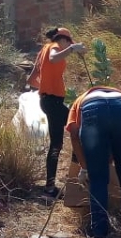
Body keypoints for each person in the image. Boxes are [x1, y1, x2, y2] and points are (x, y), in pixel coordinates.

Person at [66, 85, 121, 238]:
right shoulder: (118, 93)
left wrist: (85, 168)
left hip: (93, 109)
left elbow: (74, 134)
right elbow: (115, 140)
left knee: (98, 177)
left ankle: (99, 232)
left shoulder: (79, 101)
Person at [27, 27, 86, 198]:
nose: (69, 46)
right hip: (52, 101)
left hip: (48, 100)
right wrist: (73, 49)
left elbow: (30, 80)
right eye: (69, 42)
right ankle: (79, 174)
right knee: (79, 128)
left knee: (56, 144)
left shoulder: (41, 53)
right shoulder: (54, 48)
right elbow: (54, 59)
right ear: (63, 40)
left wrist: (47, 88)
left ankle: (50, 188)